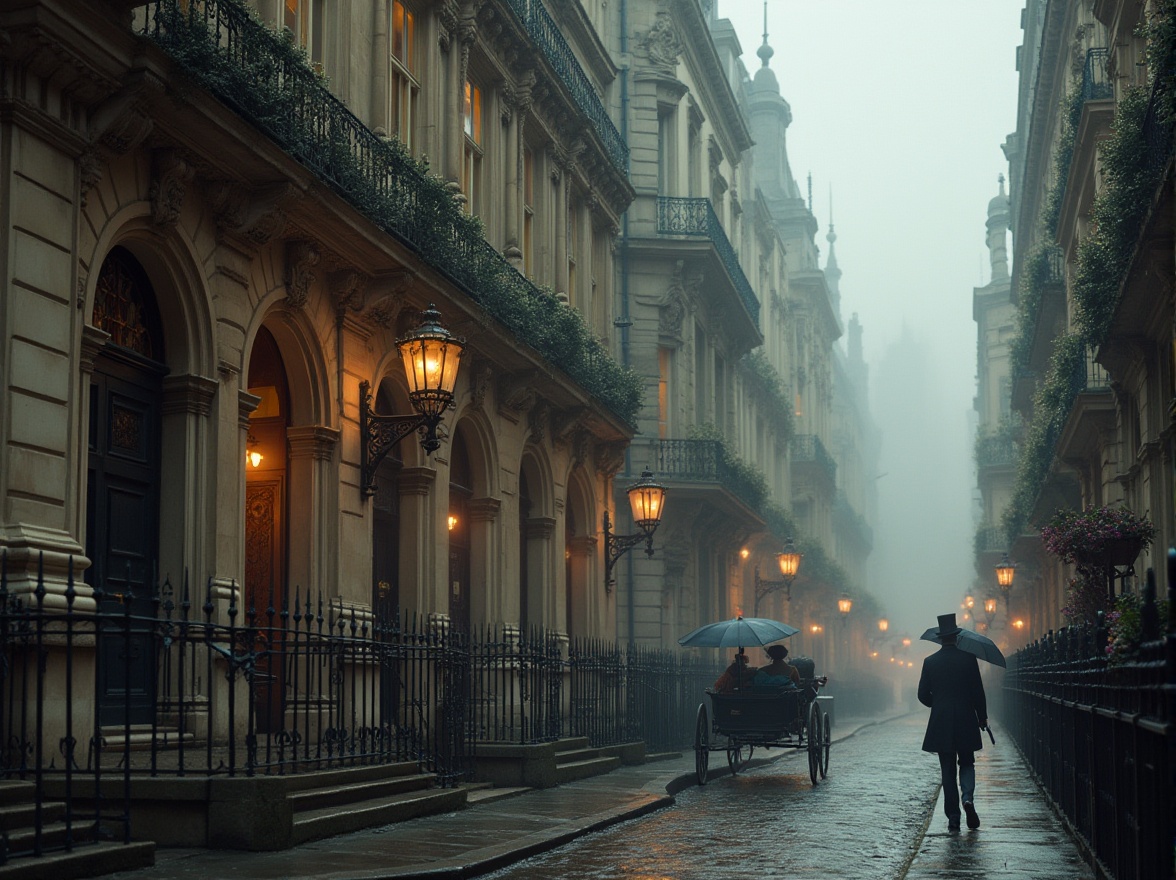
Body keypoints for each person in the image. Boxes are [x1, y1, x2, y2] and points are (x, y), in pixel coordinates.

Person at [918, 613, 988, 831]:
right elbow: (978, 692)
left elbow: (922, 694)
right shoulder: (969, 660)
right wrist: (982, 717)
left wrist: (937, 703)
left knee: (947, 769)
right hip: (966, 717)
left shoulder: (930, 662)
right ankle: (967, 798)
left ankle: (953, 818)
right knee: (967, 762)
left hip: (942, 720)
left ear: (940, 638)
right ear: (957, 637)